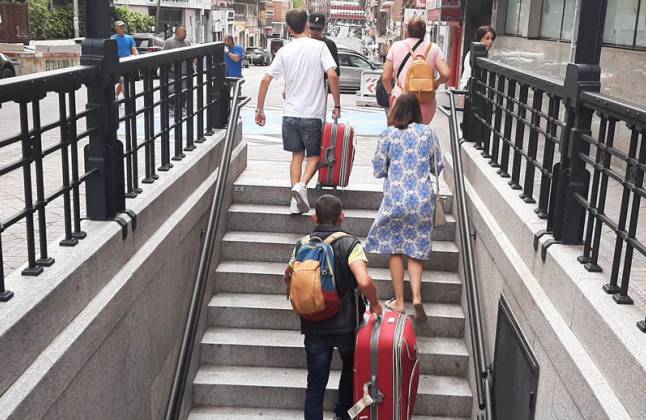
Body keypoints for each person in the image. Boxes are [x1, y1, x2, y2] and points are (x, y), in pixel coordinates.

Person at [284, 195, 383, 420]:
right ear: (342, 217)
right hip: (346, 325)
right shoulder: (350, 244)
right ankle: (342, 415)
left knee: (315, 387)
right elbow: (364, 281)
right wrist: (376, 305)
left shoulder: (302, 244)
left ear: (314, 217)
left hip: (313, 323)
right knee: (350, 371)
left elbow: (288, 275)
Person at [364, 93, 444, 324]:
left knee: (395, 249)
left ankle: (400, 302)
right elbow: (437, 166)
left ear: (396, 110)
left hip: (396, 199)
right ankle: (417, 297)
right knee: (416, 250)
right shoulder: (428, 133)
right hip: (421, 199)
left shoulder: (388, 134)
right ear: (417, 111)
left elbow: (379, 169)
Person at [255, 10, 341, 215]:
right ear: (307, 25)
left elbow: (265, 79)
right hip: (312, 114)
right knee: (314, 156)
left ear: (289, 28)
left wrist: (260, 109)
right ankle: (302, 185)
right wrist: (337, 105)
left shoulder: (284, 51)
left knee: (296, 156)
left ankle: (295, 202)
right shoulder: (319, 47)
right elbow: (332, 75)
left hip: (290, 114)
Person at [381, 17, 450, 124]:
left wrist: (390, 93)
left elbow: (386, 78)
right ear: (424, 32)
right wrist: (435, 84)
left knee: (400, 130)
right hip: (425, 99)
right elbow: (446, 74)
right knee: (421, 131)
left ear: (407, 31)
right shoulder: (434, 48)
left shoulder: (396, 47)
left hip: (401, 98)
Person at [164, 25, 192, 114]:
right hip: (173, 71)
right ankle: (171, 108)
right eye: (184, 32)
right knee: (172, 90)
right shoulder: (169, 42)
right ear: (177, 32)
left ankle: (182, 107)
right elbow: (163, 56)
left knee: (184, 91)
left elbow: (192, 55)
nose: (186, 34)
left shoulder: (187, 42)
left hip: (185, 71)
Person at [459, 25, 496, 90]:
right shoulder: (472, 54)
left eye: (492, 39)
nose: (490, 42)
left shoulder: (487, 55)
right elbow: (467, 76)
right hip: (470, 90)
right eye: (487, 38)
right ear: (480, 39)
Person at [308, 12, 340, 78]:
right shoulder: (303, 43)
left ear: (323, 28)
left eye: (318, 29)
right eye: (312, 28)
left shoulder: (330, 45)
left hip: (322, 81)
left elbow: (336, 72)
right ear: (308, 26)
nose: (315, 31)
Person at [112, 21, 138, 98]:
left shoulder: (129, 38)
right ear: (116, 29)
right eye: (120, 27)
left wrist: (138, 58)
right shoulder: (112, 39)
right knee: (122, 80)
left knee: (124, 80)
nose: (123, 29)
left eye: (123, 27)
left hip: (127, 63)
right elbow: (111, 52)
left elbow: (134, 49)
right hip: (118, 63)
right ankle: (127, 99)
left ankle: (115, 96)